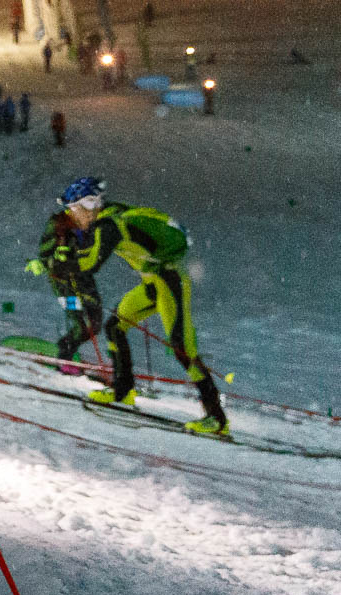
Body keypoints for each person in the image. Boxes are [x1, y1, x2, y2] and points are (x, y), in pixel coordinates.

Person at [29, 178, 230, 435]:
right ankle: (123, 393)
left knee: (182, 347)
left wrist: (54, 264)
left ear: (88, 206)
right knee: (115, 327)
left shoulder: (108, 225)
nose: (72, 216)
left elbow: (91, 263)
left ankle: (217, 418)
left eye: (74, 209)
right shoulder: (111, 216)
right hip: (153, 281)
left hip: (170, 281)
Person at [26, 208, 103, 376]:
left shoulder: (92, 224)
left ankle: (67, 350)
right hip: (63, 284)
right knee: (78, 320)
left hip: (84, 281)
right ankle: (65, 358)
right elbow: (45, 256)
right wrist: (59, 261)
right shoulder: (59, 224)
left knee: (95, 322)